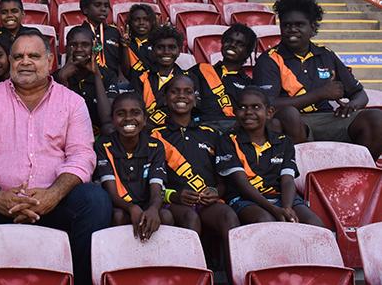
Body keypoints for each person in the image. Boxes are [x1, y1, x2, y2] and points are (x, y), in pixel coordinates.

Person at [0, 31, 112, 285]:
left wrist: (53, 195)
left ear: (50, 62)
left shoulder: (72, 102)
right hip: (1, 203)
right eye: (18, 56)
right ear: (10, 62)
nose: (25, 61)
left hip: (55, 202)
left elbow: (82, 157)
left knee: (96, 202)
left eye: (33, 56)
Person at [253, 0, 382, 158]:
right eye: (286, 25)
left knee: (377, 118)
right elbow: (267, 106)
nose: (292, 29)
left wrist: (353, 105)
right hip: (294, 122)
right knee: (289, 114)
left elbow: (359, 93)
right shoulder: (268, 60)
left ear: (313, 28)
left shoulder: (326, 55)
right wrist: (320, 94)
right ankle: (307, 172)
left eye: (299, 24)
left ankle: (353, 173)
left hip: (330, 119)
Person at [150, 75, 240, 265]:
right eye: (174, 91)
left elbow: (222, 180)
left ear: (196, 97)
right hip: (172, 201)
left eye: (188, 92)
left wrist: (215, 192)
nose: (181, 96)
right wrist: (173, 195)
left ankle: (234, 275)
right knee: (190, 218)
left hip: (206, 200)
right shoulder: (154, 135)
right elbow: (147, 181)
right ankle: (192, 275)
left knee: (228, 215)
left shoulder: (211, 134)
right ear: (165, 98)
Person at [216, 86, 323, 226]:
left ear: (269, 112)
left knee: (315, 223)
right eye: (242, 107)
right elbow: (241, 183)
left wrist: (287, 208)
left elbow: (288, 180)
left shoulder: (283, 141)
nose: (249, 112)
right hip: (244, 199)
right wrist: (274, 209)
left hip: (282, 198)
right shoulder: (227, 141)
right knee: (266, 221)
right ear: (235, 112)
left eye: (256, 107)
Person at [94, 92, 173, 241]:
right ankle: (116, 261)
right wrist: (131, 208)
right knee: (118, 216)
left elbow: (156, 187)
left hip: (146, 204)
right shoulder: (103, 145)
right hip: (119, 205)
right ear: (112, 119)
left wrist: (153, 208)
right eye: (121, 113)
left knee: (165, 216)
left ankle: (160, 260)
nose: (128, 118)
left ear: (144, 119)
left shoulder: (155, 146)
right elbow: (111, 192)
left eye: (135, 113)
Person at [190, 23, 257, 133]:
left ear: (248, 52)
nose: (232, 45)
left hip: (235, 132)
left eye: (240, 44)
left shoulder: (249, 84)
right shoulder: (200, 70)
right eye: (229, 41)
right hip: (201, 129)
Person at [54, 26, 118, 136]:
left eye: (85, 45)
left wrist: (97, 75)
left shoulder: (108, 75)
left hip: (98, 134)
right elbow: (56, 119)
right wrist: (62, 81)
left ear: (94, 47)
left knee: (110, 129)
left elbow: (107, 119)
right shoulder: (55, 77)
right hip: (66, 133)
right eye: (73, 45)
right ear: (66, 48)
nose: (79, 49)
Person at [129, 24, 187, 127]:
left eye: (172, 47)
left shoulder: (187, 79)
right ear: (153, 50)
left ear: (179, 51)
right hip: (145, 131)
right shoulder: (141, 77)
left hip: (175, 131)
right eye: (160, 47)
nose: (166, 52)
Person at [79, 0, 125, 83]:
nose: (103, 9)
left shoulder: (114, 32)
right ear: (85, 9)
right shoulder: (79, 33)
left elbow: (120, 60)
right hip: (87, 81)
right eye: (98, 5)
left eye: (106, 5)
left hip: (113, 82)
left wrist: (121, 76)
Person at [123, 3, 158, 79]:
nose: (141, 23)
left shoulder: (157, 43)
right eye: (136, 19)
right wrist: (125, 47)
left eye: (146, 19)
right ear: (130, 23)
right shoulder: (125, 43)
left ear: (152, 22)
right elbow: (125, 72)